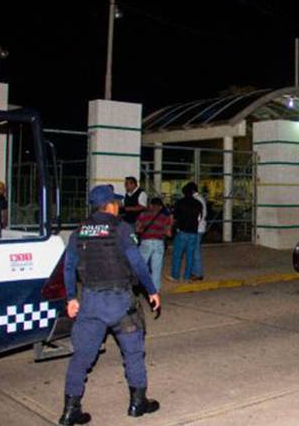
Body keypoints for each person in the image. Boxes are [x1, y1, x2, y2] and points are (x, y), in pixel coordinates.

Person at [60, 184, 160, 425]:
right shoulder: (122, 229)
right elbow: (137, 263)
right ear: (111, 205)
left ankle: (70, 410)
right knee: (133, 353)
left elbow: (69, 266)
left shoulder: (79, 232)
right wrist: (152, 291)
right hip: (120, 303)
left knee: (81, 357)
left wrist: (71, 297)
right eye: (116, 202)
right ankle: (137, 403)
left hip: (91, 302)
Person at [136, 198, 173, 292]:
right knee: (157, 267)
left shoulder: (143, 215)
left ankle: (141, 286)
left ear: (150, 205)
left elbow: (137, 229)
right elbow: (168, 233)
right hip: (158, 242)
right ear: (160, 207)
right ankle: (155, 289)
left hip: (146, 242)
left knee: (141, 265)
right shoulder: (164, 217)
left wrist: (144, 229)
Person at [169, 182, 204, 282]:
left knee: (177, 255)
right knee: (190, 256)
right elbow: (199, 218)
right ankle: (187, 277)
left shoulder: (180, 202)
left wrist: (174, 227)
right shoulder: (198, 204)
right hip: (193, 232)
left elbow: (174, 217)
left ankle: (175, 276)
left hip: (182, 231)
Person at [191, 186, 208, 281]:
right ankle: (195, 271)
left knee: (195, 251)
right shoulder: (200, 198)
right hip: (199, 227)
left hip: (197, 228)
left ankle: (198, 273)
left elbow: (200, 215)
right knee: (194, 250)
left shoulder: (197, 199)